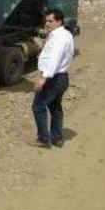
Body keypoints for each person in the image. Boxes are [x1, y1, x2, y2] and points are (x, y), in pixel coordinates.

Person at [32, 8, 74, 148]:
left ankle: (44, 139)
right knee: (55, 108)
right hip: (61, 77)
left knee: (38, 107)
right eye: (46, 21)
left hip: (54, 78)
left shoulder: (58, 38)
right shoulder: (66, 34)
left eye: (50, 21)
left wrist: (44, 78)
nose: (47, 24)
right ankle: (57, 138)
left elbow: (54, 58)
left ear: (59, 21)